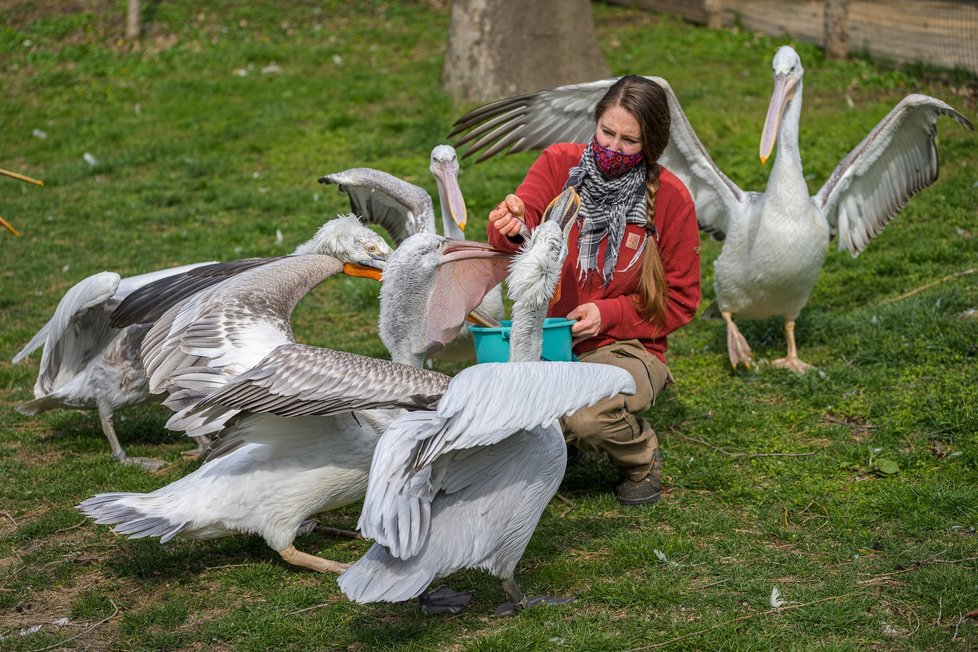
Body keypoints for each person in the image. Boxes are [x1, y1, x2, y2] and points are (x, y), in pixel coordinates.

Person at [487, 75, 701, 507]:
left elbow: (681, 301)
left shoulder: (672, 199)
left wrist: (611, 315)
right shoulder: (558, 165)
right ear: (595, 122)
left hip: (629, 347)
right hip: (552, 340)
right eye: (606, 132)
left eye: (629, 140)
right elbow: (519, 225)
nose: (613, 148)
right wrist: (508, 225)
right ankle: (555, 441)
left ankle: (639, 457)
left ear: (652, 145)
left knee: (586, 417)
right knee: (494, 411)